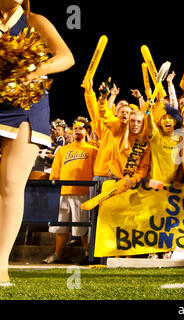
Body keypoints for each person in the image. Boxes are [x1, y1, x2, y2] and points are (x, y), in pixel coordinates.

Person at [0, 0, 74, 286]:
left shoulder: (34, 21)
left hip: (25, 107)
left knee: (9, 185)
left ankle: (1, 265)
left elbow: (66, 57)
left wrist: (35, 70)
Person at [43, 119, 97, 264]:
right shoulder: (63, 150)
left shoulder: (92, 150)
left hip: (83, 192)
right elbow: (55, 172)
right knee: (60, 226)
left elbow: (95, 172)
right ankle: (58, 254)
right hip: (63, 192)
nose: (77, 131)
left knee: (82, 226)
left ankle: (88, 253)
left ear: (87, 132)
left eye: (81, 129)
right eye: (75, 129)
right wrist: (54, 184)